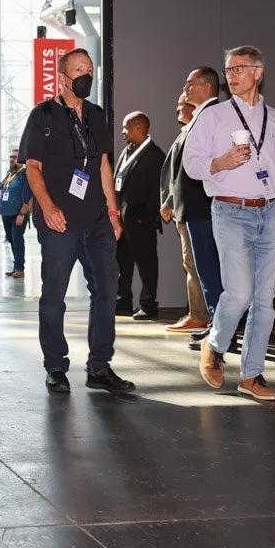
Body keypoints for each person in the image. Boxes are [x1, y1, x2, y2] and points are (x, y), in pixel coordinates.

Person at [185, 46, 275, 401]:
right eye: (228, 70)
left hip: (269, 212)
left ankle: (251, 375)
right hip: (229, 211)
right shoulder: (213, 117)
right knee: (239, 292)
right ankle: (216, 343)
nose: (232, 75)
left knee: (264, 301)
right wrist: (221, 162)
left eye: (239, 68)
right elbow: (191, 164)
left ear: (258, 72)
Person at [19, 48, 135, 394]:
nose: (87, 74)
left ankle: (99, 367)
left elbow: (102, 166)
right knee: (54, 294)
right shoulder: (43, 116)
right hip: (59, 221)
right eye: (79, 69)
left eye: (90, 69)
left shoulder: (97, 116)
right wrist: (49, 207)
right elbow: (33, 167)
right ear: (63, 76)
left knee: (106, 289)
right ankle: (55, 365)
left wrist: (113, 213)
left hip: (97, 218)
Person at [180, 67, 226, 345]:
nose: (186, 88)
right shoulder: (201, 116)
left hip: (205, 207)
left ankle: (221, 330)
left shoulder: (212, 116)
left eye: (190, 83)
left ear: (207, 87)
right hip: (197, 208)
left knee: (211, 270)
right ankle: (218, 324)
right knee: (206, 269)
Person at [159, 93, 210, 332]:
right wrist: (170, 201)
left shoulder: (199, 130)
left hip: (196, 211)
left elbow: (187, 174)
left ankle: (200, 315)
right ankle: (198, 313)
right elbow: (176, 176)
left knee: (197, 265)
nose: (177, 109)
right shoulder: (185, 131)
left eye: (181, 105)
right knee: (191, 264)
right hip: (183, 210)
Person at [114, 111, 166, 320]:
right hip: (123, 220)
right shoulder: (127, 151)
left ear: (138, 128)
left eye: (126, 127)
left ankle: (148, 304)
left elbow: (158, 191)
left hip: (141, 221)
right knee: (122, 262)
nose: (122, 132)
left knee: (146, 263)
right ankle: (123, 300)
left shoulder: (155, 155)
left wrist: (146, 216)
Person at [0, 148, 33, 278]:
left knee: (17, 239)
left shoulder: (25, 174)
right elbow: (7, 186)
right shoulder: (10, 173)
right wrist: (1, 185)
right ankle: (15, 266)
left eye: (15, 157)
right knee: (12, 240)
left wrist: (23, 213)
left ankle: (20, 268)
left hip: (18, 214)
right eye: (10, 157)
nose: (11, 159)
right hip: (6, 212)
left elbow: (29, 195)